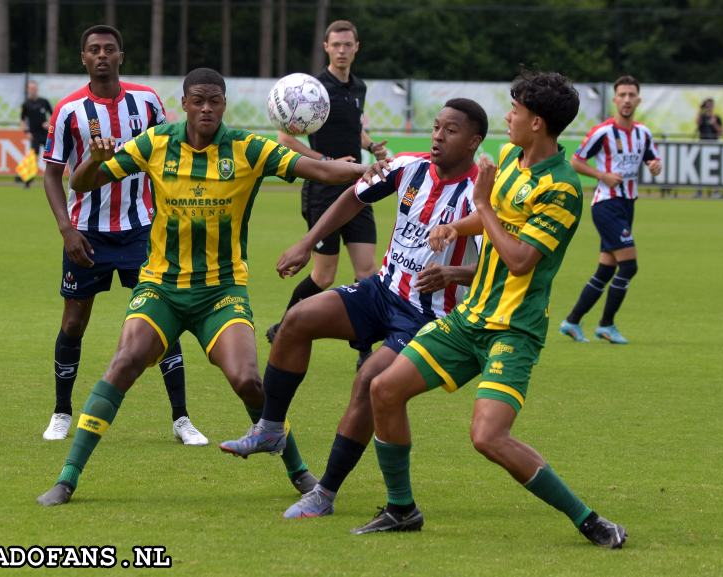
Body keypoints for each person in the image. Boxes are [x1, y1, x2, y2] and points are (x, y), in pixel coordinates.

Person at [36, 66, 372, 507]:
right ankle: (67, 478)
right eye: (199, 100)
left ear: (224, 104)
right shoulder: (155, 143)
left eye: (215, 100)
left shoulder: (248, 148)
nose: (207, 108)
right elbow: (80, 183)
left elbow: (316, 170)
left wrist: (370, 169)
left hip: (221, 291)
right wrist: (96, 158)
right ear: (185, 104)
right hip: (161, 287)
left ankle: (298, 471)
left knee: (249, 381)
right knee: (123, 363)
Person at [350, 72, 627, 549]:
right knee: (384, 389)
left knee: (487, 438)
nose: (508, 116)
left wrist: (480, 201)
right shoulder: (507, 159)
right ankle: (401, 509)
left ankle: (589, 520)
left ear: (537, 123)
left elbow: (519, 259)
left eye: (515, 110)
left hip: (513, 330)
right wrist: (457, 227)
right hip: (467, 319)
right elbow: (491, 215)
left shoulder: (562, 189)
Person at [219, 99, 487, 519]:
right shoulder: (407, 167)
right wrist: (307, 243)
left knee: (368, 381)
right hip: (381, 291)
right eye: (436, 127)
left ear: (474, 141)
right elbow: (352, 197)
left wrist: (454, 273)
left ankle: (324, 493)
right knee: (297, 319)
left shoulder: (480, 196)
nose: (437, 136)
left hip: (426, 316)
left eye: (450, 131)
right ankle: (271, 428)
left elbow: (497, 267)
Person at [41, 25, 207, 445]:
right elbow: (53, 174)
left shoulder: (147, 101)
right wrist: (66, 230)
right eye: (94, 50)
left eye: (109, 49)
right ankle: (61, 412)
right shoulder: (68, 111)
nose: (101, 55)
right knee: (74, 322)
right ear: (83, 58)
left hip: (141, 232)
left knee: (162, 321)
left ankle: (182, 419)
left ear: (121, 55)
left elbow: (167, 156)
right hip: (87, 234)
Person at [267, 19, 389, 371]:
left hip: (360, 187)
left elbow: (355, 125)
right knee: (324, 276)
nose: (341, 50)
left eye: (347, 44)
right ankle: (286, 326)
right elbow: (286, 139)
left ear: (356, 47)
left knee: (368, 273)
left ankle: (364, 347)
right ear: (326, 47)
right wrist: (327, 162)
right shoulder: (311, 89)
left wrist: (370, 146)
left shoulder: (359, 87)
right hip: (323, 190)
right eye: (335, 44)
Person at [560, 75, 661, 345]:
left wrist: (655, 165)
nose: (627, 100)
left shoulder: (643, 132)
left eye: (632, 95)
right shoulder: (602, 131)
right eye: (622, 95)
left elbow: (652, 158)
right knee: (629, 266)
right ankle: (606, 325)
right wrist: (601, 175)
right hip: (606, 205)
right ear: (615, 99)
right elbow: (576, 161)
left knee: (606, 270)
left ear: (638, 99)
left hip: (628, 204)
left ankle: (571, 321)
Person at [18, 80, 53, 188]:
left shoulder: (44, 102)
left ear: (37, 89)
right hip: (35, 135)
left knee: (50, 157)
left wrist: (48, 123)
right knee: (33, 157)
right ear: (28, 90)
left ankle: (51, 179)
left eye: (34, 88)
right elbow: (22, 120)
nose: (33, 90)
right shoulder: (26, 104)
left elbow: (54, 115)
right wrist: (26, 132)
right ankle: (28, 180)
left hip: (46, 135)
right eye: (31, 88)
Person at [695, 98, 723, 199]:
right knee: (700, 168)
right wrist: (700, 110)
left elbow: (721, 132)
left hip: (714, 145)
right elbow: (697, 123)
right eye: (707, 105)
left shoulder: (717, 118)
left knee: (714, 169)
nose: (709, 107)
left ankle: (716, 191)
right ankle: (699, 191)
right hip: (703, 144)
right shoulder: (702, 117)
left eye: (710, 105)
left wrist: (714, 122)